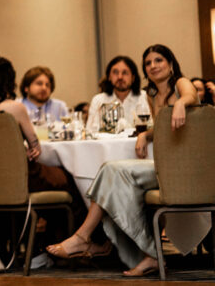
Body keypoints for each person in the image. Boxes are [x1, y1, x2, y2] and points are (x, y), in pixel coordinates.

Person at [47, 44, 199, 276]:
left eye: (159, 60)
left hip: (182, 165)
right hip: (162, 165)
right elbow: (160, 129)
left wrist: (180, 103)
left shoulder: (179, 83)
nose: (153, 66)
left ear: (170, 64)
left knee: (111, 172)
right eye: (148, 63)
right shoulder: (151, 95)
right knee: (110, 173)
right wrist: (145, 134)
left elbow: (191, 95)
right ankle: (147, 255)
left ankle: (84, 238)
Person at [0, 56, 90, 253]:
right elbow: (35, 145)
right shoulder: (15, 108)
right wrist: (31, 146)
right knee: (73, 180)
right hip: (24, 177)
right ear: (10, 81)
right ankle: (69, 245)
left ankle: (44, 246)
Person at [86, 55, 149, 133]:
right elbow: (90, 131)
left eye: (125, 73)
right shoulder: (98, 100)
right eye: (115, 72)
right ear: (109, 76)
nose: (120, 77)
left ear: (133, 77)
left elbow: (151, 128)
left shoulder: (144, 97)